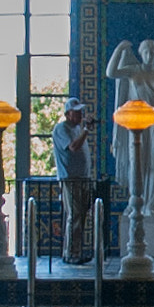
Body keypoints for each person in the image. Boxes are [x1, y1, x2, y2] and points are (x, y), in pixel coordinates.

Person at [106, 39, 154, 234]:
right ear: (141, 53)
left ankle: (153, 206)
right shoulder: (133, 71)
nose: (149, 55)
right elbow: (111, 73)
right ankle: (136, 204)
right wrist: (119, 49)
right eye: (146, 52)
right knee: (138, 163)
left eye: (152, 52)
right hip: (136, 121)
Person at [52, 98, 94, 264]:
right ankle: (70, 254)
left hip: (83, 178)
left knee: (81, 215)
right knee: (74, 215)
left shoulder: (77, 129)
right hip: (70, 179)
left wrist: (84, 130)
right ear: (68, 114)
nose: (80, 114)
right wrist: (86, 130)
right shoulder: (61, 129)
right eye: (76, 111)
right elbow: (73, 147)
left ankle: (76, 251)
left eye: (80, 111)